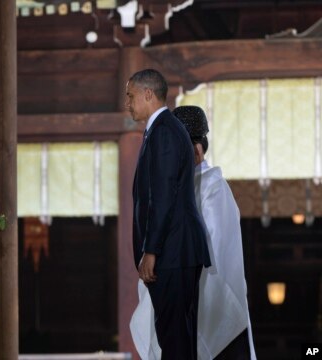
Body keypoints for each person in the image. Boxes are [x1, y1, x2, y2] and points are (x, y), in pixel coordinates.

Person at [130, 106, 257, 359]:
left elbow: (217, 250)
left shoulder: (213, 187)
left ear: (196, 150)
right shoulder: (174, 188)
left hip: (210, 293)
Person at [127, 69, 211, 359]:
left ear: (148, 94)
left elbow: (161, 197)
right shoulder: (163, 129)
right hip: (177, 250)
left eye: (131, 96)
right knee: (179, 340)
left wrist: (151, 250)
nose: (128, 103)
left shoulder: (164, 130)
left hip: (172, 252)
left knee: (174, 340)